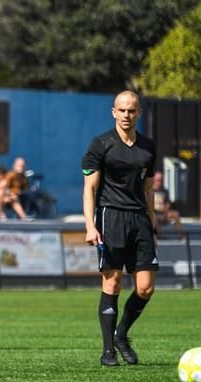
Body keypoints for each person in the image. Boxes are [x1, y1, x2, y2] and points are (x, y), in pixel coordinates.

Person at [82, 90, 158, 367]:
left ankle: (121, 333)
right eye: (122, 110)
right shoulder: (100, 144)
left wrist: (152, 220)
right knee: (112, 281)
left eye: (132, 110)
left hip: (139, 219)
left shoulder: (148, 147)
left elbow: (148, 187)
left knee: (146, 287)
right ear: (113, 112)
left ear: (139, 113)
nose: (127, 115)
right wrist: (90, 226)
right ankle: (107, 351)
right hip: (110, 216)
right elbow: (89, 189)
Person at [152, 171, 182, 237]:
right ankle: (158, 235)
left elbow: (167, 203)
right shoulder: (150, 191)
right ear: (154, 180)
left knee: (175, 214)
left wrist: (165, 213)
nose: (159, 182)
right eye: (158, 180)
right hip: (154, 213)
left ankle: (180, 235)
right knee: (153, 216)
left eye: (161, 180)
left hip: (164, 212)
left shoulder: (164, 191)